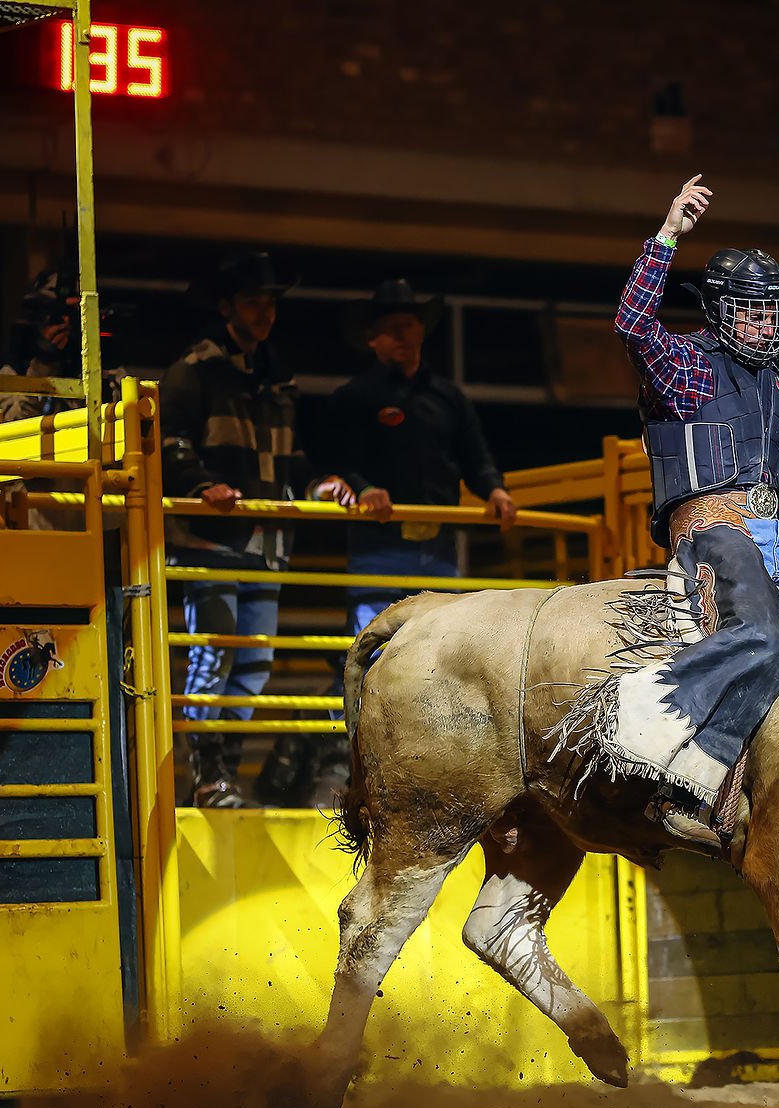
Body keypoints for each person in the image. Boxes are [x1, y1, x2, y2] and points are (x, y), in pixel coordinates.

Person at [605, 175, 779, 848]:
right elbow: (632, 325)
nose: (765, 325)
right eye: (751, 313)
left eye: (771, 313)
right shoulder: (689, 367)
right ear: (718, 312)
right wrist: (668, 234)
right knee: (763, 638)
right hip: (710, 530)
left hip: (771, 537)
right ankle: (684, 767)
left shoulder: (778, 388)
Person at [256, 278, 518, 808]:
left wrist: (493, 488)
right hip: (380, 546)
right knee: (375, 653)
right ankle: (366, 763)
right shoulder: (355, 398)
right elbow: (336, 460)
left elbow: (475, 457)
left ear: (421, 331)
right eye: (392, 328)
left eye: (410, 325)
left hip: (435, 546)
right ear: (373, 338)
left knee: (445, 650)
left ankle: (433, 764)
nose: (404, 335)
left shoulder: (447, 397)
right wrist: (362, 487)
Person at [161, 251, 352, 808]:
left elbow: (292, 459)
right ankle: (209, 779)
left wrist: (320, 484)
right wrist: (202, 486)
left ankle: (219, 776)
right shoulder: (194, 370)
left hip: (265, 543)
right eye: (253, 302)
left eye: (269, 303)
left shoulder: (277, 378)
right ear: (227, 307)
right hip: (212, 540)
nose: (265, 312)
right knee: (216, 656)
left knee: (252, 664)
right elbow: (170, 443)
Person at [0, 269, 124, 424]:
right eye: (56, 316)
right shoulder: (11, 374)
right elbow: (14, 427)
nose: (65, 323)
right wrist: (43, 365)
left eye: (73, 315)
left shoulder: (109, 373)